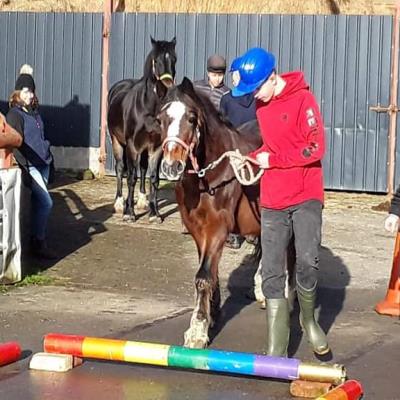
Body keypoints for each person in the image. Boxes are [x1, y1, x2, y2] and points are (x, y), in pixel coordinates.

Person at [232, 47, 329, 357]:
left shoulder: (304, 101)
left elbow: (314, 149)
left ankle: (309, 320)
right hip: (273, 198)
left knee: (307, 262)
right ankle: (277, 346)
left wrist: (271, 160)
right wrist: (250, 159)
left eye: (257, 88)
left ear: (273, 78)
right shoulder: (262, 107)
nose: (254, 97)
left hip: (305, 195)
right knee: (272, 269)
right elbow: (269, 148)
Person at [6, 64, 55, 260]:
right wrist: (23, 165)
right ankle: (39, 241)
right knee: (46, 202)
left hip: (43, 163)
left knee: (37, 203)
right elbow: (15, 142)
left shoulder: (34, 112)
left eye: (31, 91)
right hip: (29, 165)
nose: (29, 95)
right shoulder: (14, 115)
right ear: (18, 92)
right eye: (25, 91)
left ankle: (34, 239)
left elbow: (40, 136)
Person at [220, 57, 257, 249]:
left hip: (237, 151)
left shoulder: (228, 99)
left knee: (235, 192)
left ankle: (239, 231)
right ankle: (244, 231)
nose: (232, 78)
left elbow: (223, 125)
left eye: (233, 73)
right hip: (249, 150)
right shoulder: (255, 98)